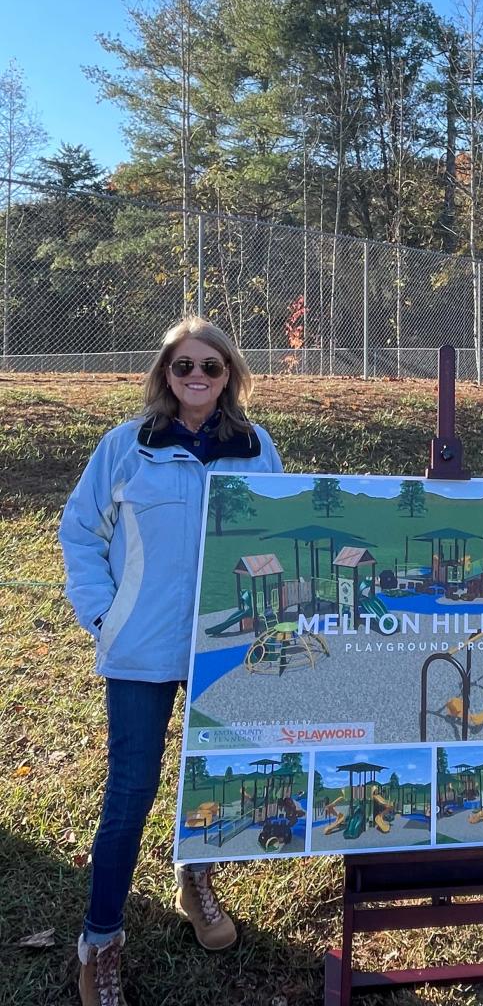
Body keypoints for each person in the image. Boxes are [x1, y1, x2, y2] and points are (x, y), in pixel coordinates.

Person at [61, 317, 283, 1006]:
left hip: (225, 645)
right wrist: (103, 614)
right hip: (140, 649)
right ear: (164, 372)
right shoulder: (127, 447)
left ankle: (197, 881)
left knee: (214, 777)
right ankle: (101, 942)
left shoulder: (254, 447)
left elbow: (277, 531)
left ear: (229, 376)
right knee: (130, 792)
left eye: (211, 366)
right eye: (183, 364)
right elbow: (79, 531)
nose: (197, 375)